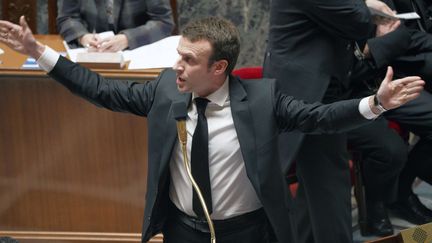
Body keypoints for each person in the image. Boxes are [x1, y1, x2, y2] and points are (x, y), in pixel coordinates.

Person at [0, 16, 424, 243]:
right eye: (178, 56)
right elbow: (100, 90)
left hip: (248, 232)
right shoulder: (166, 92)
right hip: (184, 231)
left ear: (218, 68)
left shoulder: (262, 101)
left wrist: (377, 104)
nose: (174, 67)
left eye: (187, 61)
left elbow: (321, 118)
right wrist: (39, 53)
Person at [263, 0, 398, 242]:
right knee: (330, 189)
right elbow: (357, 21)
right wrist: (367, 5)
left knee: (315, 187)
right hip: (309, 94)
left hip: (320, 87)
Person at [57, 0, 174, 52]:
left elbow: (163, 22)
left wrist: (127, 39)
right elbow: (66, 18)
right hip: (93, 55)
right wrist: (83, 37)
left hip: (136, 55)